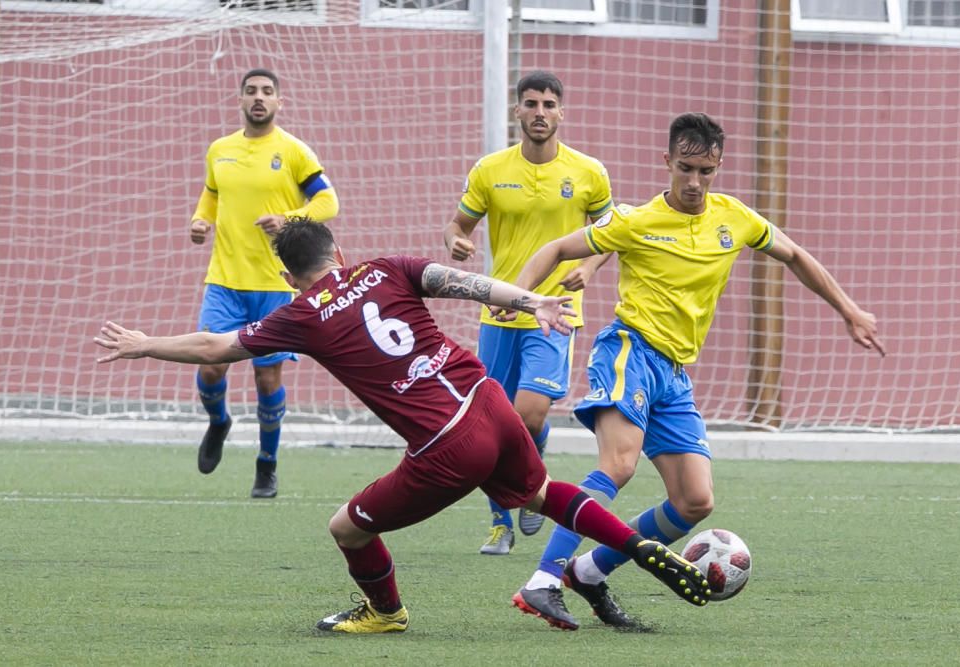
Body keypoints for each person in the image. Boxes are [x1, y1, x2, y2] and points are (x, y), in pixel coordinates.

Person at [94, 219, 711, 634]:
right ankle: (635, 547)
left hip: (449, 445)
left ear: (287, 278)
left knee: (347, 528)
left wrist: (145, 344)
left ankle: (384, 612)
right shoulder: (386, 267)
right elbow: (462, 283)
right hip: (487, 399)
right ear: (339, 253)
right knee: (541, 494)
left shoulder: (300, 315)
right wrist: (531, 302)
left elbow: (213, 346)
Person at [509, 112, 886, 630]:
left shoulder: (735, 220)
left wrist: (849, 311)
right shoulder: (635, 220)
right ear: (666, 161)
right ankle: (544, 580)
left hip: (675, 373)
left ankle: (589, 572)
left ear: (718, 167)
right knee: (619, 465)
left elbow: (795, 255)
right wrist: (522, 298)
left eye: (705, 171)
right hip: (628, 351)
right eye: (685, 168)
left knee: (694, 501)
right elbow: (557, 249)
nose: (693, 182)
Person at [443, 70, 614, 554]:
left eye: (549, 104)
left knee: (529, 414)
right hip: (499, 312)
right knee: (491, 422)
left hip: (555, 311)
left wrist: (590, 267)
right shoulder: (490, 170)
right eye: (531, 104)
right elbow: (459, 225)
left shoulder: (588, 172)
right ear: (517, 111)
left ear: (562, 112)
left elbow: (611, 231)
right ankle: (500, 521)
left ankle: (528, 484)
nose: (540, 112)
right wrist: (457, 241)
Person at [188, 68, 339, 498]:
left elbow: (329, 201)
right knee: (211, 365)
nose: (259, 97)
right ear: (240, 100)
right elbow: (212, 194)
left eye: (267, 92)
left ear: (279, 102)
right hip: (225, 280)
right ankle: (218, 422)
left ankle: (267, 464)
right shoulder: (220, 150)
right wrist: (202, 220)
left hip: (275, 285)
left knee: (267, 378)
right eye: (251, 91)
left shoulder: (293, 151)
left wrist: (288, 219)